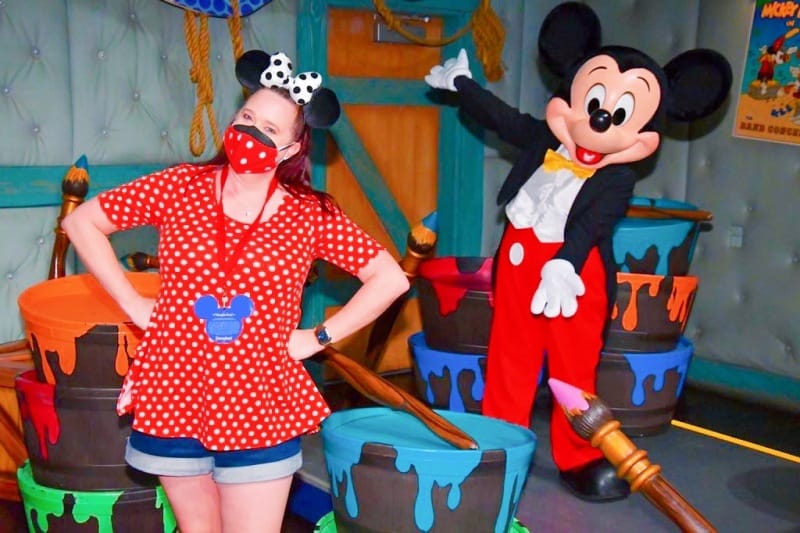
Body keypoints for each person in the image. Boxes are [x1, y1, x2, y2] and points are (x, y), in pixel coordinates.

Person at [62, 49, 410, 532]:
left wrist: (317, 337)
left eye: (270, 129)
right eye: (248, 116)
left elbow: (389, 278)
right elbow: (83, 222)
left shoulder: (310, 215)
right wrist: (135, 305)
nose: (251, 131)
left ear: (290, 150)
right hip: (174, 390)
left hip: (258, 400)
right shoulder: (179, 186)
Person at [424, 3, 731, 502]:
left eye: (620, 114)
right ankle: (500, 446)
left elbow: (595, 224)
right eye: (592, 100)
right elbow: (503, 119)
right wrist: (463, 86)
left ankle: (578, 456)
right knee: (509, 361)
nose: (600, 119)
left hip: (575, 279)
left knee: (572, 374)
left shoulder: (617, 176)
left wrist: (564, 263)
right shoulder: (545, 139)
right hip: (520, 269)